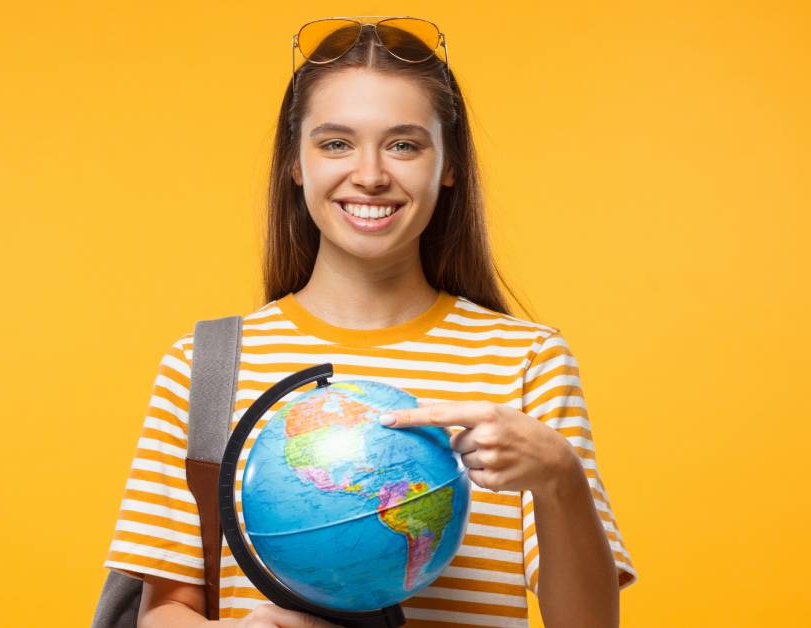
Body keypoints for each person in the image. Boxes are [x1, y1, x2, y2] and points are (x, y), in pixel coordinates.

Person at [102, 16, 637, 627]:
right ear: (295, 163)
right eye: (335, 143)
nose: (371, 174)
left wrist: (560, 480)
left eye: (404, 144)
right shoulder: (206, 365)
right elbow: (165, 610)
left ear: (450, 165)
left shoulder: (527, 361)